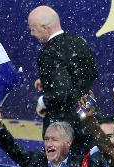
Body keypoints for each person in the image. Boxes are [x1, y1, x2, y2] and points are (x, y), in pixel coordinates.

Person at [27, 6, 98, 150]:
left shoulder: (48, 53)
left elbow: (62, 93)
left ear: (45, 27)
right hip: (86, 122)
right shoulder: (79, 41)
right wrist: (48, 82)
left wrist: (43, 101)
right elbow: (91, 73)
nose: (31, 34)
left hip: (62, 131)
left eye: (33, 29)